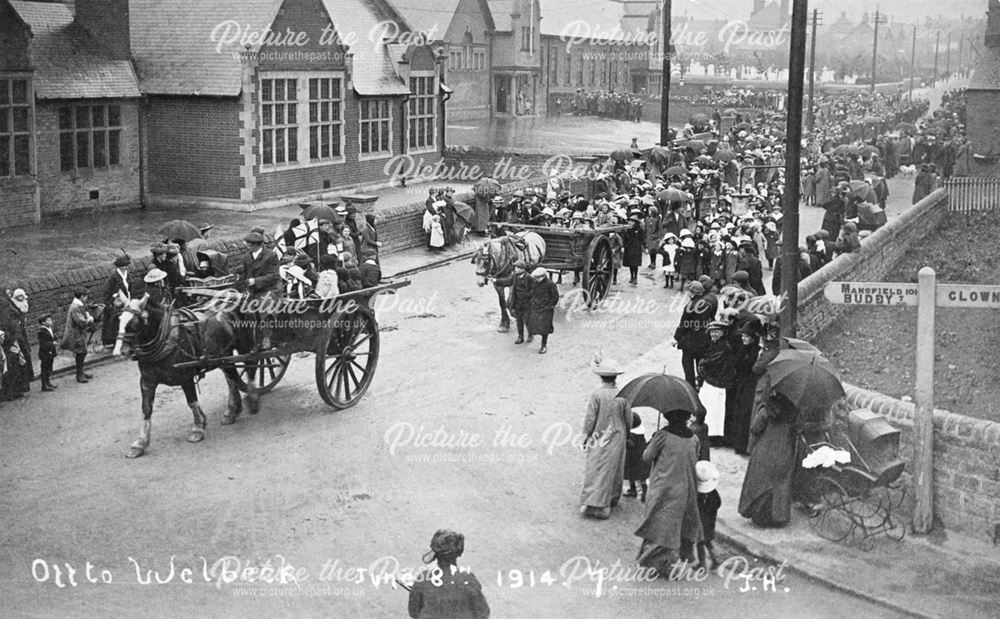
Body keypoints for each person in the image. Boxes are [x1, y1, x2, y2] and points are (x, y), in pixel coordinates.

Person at [634, 408, 704, 576]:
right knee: (673, 528)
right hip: (685, 489)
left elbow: (646, 457)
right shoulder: (694, 439)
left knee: (657, 526)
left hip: (662, 489)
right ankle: (665, 563)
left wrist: (653, 440)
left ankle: (650, 561)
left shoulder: (662, 436)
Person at [738, 391, 800, 527]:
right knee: (780, 485)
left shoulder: (766, 409)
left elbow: (755, 428)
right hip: (784, 451)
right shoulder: (792, 411)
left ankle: (760, 517)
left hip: (766, 450)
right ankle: (778, 517)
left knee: (760, 483)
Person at [580, 358, 630, 519]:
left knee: (596, 467)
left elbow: (590, 418)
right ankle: (612, 498)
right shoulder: (623, 395)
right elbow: (628, 418)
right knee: (613, 467)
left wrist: (585, 436)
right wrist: (627, 434)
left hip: (599, 434)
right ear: (615, 377)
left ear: (601, 377)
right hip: (617, 434)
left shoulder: (597, 394)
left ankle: (595, 502)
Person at [408, 530, 490, 619]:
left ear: (436, 554)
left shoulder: (423, 578)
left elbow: (413, 611)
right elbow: (483, 612)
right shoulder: (468, 579)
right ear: (458, 553)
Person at [241, 231, 280, 351]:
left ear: (256, 245)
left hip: (270, 289)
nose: (247, 246)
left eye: (249, 245)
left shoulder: (271, 256)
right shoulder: (246, 257)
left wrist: (255, 281)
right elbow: (245, 276)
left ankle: (267, 337)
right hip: (253, 291)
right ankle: (250, 339)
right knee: (241, 310)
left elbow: (274, 276)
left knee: (265, 306)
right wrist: (245, 287)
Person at [725, 322, 760, 455]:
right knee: (738, 410)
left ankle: (744, 445)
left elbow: (750, 368)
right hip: (741, 383)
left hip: (750, 385)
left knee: (746, 412)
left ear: (752, 338)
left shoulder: (755, 351)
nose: (743, 339)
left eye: (746, 336)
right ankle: (737, 443)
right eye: (743, 336)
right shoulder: (743, 349)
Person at [673, 281, 716, 388]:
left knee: (688, 365)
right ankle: (699, 383)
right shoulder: (708, 305)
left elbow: (684, 324)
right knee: (699, 364)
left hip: (689, 342)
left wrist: (676, 338)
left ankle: (690, 386)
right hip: (703, 341)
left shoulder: (690, 306)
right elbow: (711, 321)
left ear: (692, 293)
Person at [698, 320, 735, 441]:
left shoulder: (724, 347)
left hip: (718, 380)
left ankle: (714, 435)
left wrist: (702, 365)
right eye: (712, 332)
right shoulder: (715, 344)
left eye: (716, 332)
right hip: (713, 379)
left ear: (723, 332)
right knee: (710, 406)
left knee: (715, 408)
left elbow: (712, 361)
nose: (713, 334)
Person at [61, 288, 95, 384]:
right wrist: (90, 318)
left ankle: (81, 372)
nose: (87, 298)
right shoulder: (75, 307)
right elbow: (81, 322)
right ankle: (79, 374)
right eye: (86, 296)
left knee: (82, 352)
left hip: (79, 333)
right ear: (82, 297)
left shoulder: (77, 305)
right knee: (80, 353)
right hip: (76, 335)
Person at [497, 260, 533, 345]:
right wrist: (496, 281)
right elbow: (507, 282)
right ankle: (520, 337)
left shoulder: (529, 278)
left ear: (522, 269)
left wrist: (527, 296)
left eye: (517, 267)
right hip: (517, 302)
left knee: (527, 320)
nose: (515, 269)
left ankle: (530, 335)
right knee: (519, 320)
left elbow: (533, 289)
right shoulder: (514, 276)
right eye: (515, 267)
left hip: (526, 303)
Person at [695, 461, 722, 570]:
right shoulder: (714, 493)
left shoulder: (699, 495)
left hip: (702, 523)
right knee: (708, 542)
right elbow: (718, 503)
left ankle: (702, 564)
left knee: (700, 544)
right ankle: (715, 559)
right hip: (711, 522)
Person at [102, 254, 133, 348]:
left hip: (127, 301)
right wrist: (110, 302)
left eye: (127, 265)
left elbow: (130, 286)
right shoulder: (113, 276)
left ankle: (125, 340)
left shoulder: (127, 274)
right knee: (116, 324)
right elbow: (106, 291)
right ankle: (115, 343)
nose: (126, 267)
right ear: (119, 266)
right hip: (116, 303)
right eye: (124, 265)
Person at [527, 268, 557, 354]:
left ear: (543, 276)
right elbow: (532, 292)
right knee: (533, 322)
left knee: (545, 328)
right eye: (535, 278)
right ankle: (531, 334)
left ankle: (544, 345)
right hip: (536, 307)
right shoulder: (536, 283)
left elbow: (555, 297)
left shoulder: (550, 284)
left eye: (538, 277)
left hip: (546, 310)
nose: (536, 279)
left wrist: (549, 306)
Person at [624, 411, 650, 502]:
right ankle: (635, 491)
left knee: (636, 477)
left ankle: (641, 494)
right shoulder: (640, 434)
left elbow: (630, 445)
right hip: (639, 458)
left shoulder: (633, 436)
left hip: (634, 460)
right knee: (637, 477)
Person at [622, 213, 646, 285]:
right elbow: (624, 239)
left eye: (632, 221)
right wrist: (623, 246)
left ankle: (635, 277)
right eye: (630, 221)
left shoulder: (640, 230)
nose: (630, 222)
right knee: (630, 264)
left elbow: (642, 239)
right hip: (629, 247)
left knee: (635, 264)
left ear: (636, 222)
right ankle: (631, 276)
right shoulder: (627, 230)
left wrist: (645, 247)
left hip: (636, 248)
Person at [37, 313, 58, 392]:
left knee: (49, 368)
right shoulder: (41, 331)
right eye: (49, 320)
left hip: (50, 352)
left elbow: (52, 337)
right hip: (45, 353)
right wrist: (52, 344)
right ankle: (44, 385)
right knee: (45, 369)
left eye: (51, 320)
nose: (51, 321)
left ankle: (48, 382)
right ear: (43, 322)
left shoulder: (49, 329)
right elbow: (43, 344)